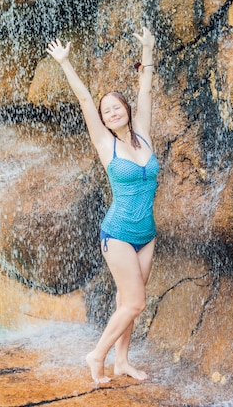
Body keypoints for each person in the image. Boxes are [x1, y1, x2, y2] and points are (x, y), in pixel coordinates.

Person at [46, 27, 158, 384]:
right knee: (135, 303)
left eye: (115, 107)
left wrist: (148, 49)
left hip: (147, 234)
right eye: (105, 110)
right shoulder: (104, 143)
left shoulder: (143, 132)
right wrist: (65, 63)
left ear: (126, 110)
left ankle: (122, 361)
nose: (110, 113)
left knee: (128, 303)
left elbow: (146, 89)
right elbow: (83, 100)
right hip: (119, 233)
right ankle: (97, 355)